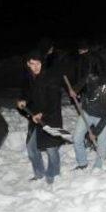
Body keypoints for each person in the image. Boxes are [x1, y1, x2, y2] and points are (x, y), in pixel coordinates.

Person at [17, 50, 65, 184]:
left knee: (51, 149)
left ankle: (54, 173)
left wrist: (42, 113)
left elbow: (54, 101)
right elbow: (25, 93)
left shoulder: (51, 77)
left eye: (38, 63)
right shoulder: (28, 78)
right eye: (32, 64)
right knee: (31, 148)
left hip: (50, 116)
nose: (36, 67)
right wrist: (23, 100)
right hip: (34, 118)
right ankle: (39, 172)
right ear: (28, 64)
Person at [68, 40, 106, 170]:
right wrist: (75, 90)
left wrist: (95, 132)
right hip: (87, 112)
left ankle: (98, 167)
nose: (90, 79)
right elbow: (83, 81)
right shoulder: (89, 79)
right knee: (77, 138)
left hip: (102, 117)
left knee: (101, 144)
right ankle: (82, 163)